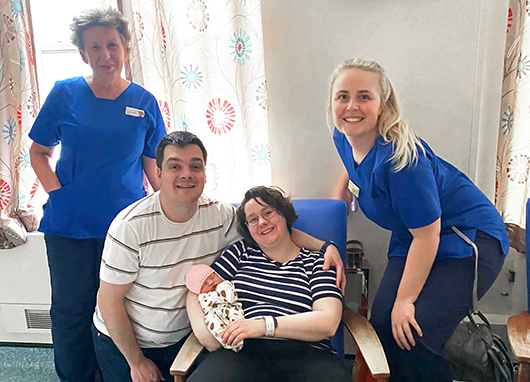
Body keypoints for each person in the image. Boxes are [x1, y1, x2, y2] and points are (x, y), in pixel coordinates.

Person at [93, 131, 345, 382]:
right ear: (158, 173)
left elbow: (327, 320)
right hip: (132, 342)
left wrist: (326, 247)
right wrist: (138, 360)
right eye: (175, 166)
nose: (186, 174)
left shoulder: (314, 261)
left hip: (302, 351)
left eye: (195, 166)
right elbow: (111, 300)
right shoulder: (132, 226)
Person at [328, 58, 509, 381]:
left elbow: (429, 236)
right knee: (383, 323)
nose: (351, 106)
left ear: (383, 105)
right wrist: (338, 197)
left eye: (364, 96)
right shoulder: (344, 135)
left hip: (467, 236)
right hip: (415, 234)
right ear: (333, 102)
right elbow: (350, 162)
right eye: (343, 96)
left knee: (415, 332)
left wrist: (406, 301)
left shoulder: (401, 163)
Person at [28, 7, 166, 382]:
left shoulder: (145, 101)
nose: (106, 55)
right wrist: (59, 195)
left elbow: (154, 165)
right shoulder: (65, 93)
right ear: (83, 54)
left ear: (125, 49)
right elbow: (38, 152)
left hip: (126, 230)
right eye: (95, 47)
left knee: (118, 310)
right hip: (69, 227)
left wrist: (169, 212)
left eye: (112, 45)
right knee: (72, 311)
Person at [186, 186, 352, 382]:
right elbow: (197, 289)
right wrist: (203, 332)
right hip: (242, 350)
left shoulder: (318, 262)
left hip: (306, 352)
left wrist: (264, 326)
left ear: (284, 214)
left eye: (268, 212)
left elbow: (328, 322)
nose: (262, 222)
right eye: (253, 219)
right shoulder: (240, 253)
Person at [185, 264, 244, 351]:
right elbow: (206, 307)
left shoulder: (225, 285)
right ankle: (227, 341)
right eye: (204, 284)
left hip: (229, 308)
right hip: (214, 315)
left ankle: (237, 338)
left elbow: (230, 297)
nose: (210, 282)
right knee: (211, 320)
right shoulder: (201, 297)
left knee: (235, 315)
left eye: (212, 277)